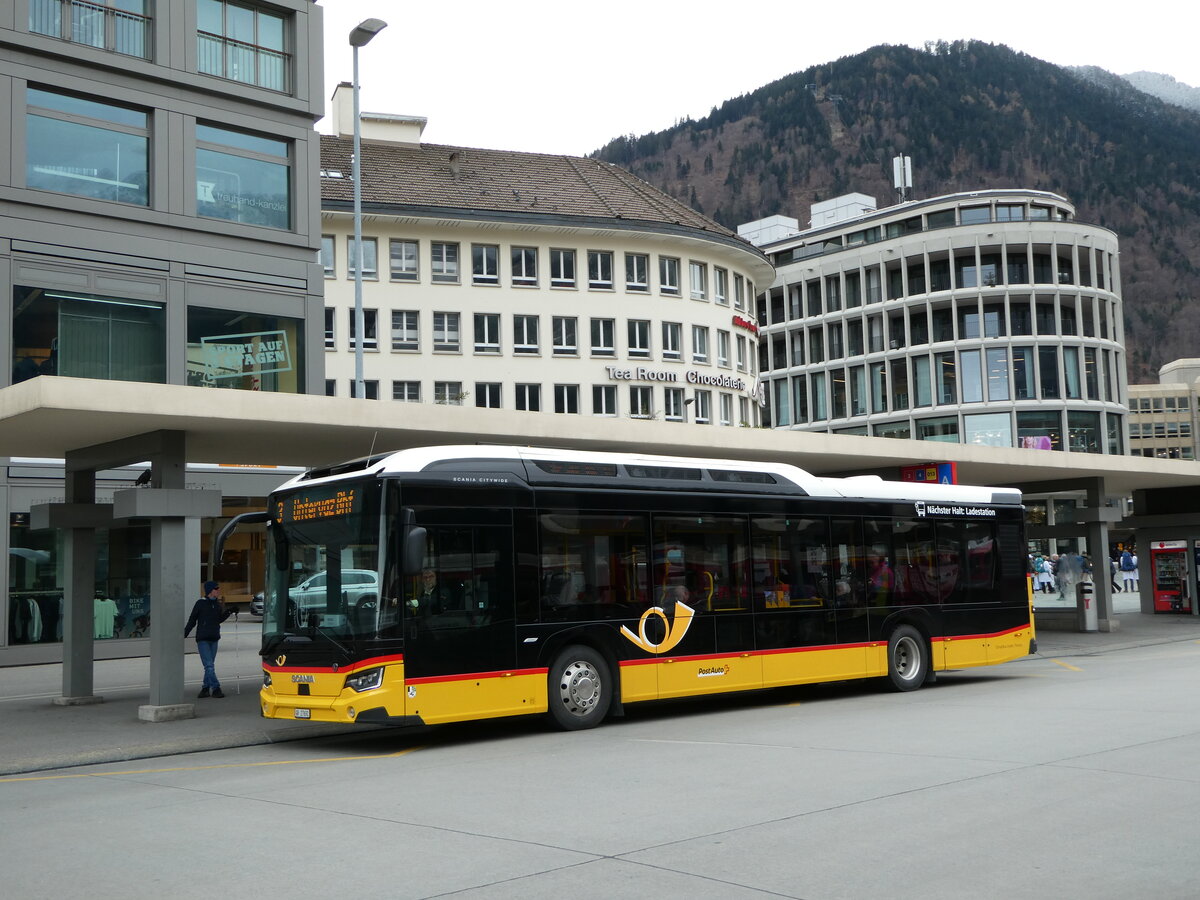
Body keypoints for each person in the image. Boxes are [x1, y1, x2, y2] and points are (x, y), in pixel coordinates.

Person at [184, 580, 232, 699]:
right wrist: (185, 633)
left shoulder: (217, 604)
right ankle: (216, 688)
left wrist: (230, 611)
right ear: (210, 591)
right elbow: (192, 620)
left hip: (214, 638)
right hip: (203, 639)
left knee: (209, 665)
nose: (218, 591)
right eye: (216, 589)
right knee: (209, 666)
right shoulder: (200, 603)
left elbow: (219, 619)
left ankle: (205, 688)